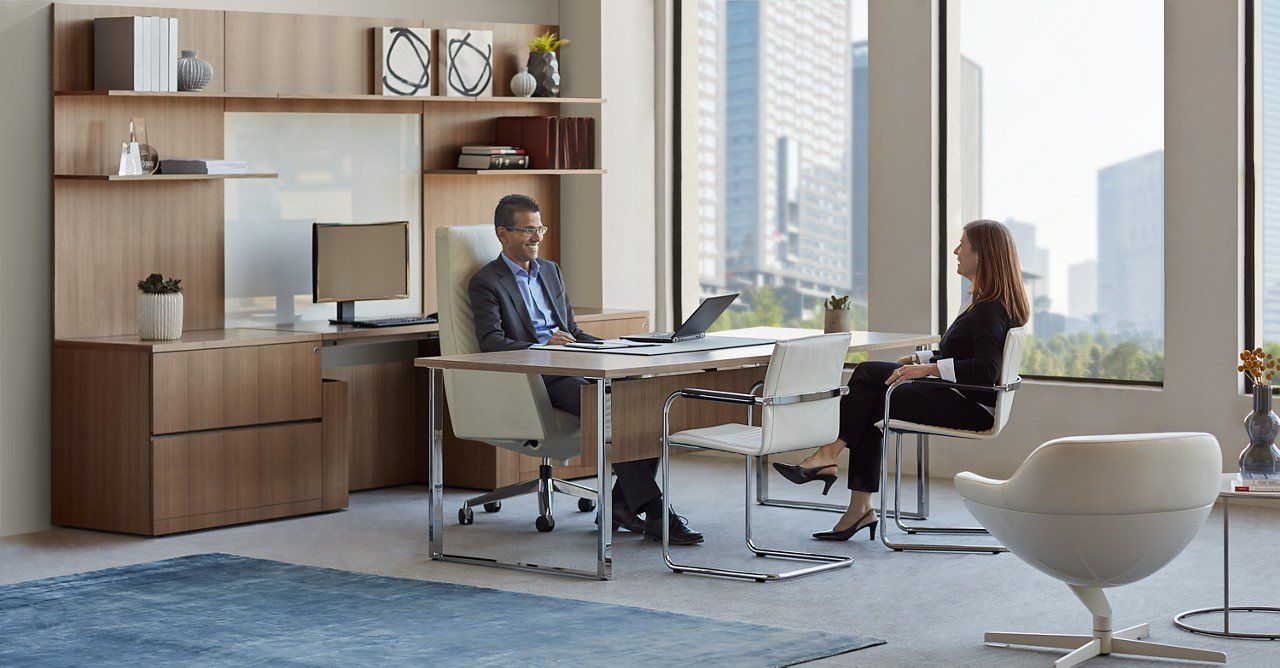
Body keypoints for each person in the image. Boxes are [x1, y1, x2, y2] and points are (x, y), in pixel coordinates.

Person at [468, 193, 704, 545]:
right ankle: (656, 512)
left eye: (540, 229)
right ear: (503, 234)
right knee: (609, 410)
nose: (537, 237)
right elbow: (491, 343)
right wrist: (543, 347)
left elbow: (573, 331)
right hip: (538, 376)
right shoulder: (487, 281)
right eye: (528, 230)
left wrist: (613, 348)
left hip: (576, 360)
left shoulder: (550, 270)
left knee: (644, 400)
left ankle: (620, 504)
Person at [772, 219, 1030, 541]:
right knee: (869, 394)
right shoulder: (986, 302)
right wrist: (919, 360)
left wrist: (928, 371)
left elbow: (986, 369)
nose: (956, 251)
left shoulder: (989, 308)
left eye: (962, 245)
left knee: (868, 380)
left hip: (971, 407)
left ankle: (830, 459)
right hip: (964, 397)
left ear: (981, 254)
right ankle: (855, 502)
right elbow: (964, 353)